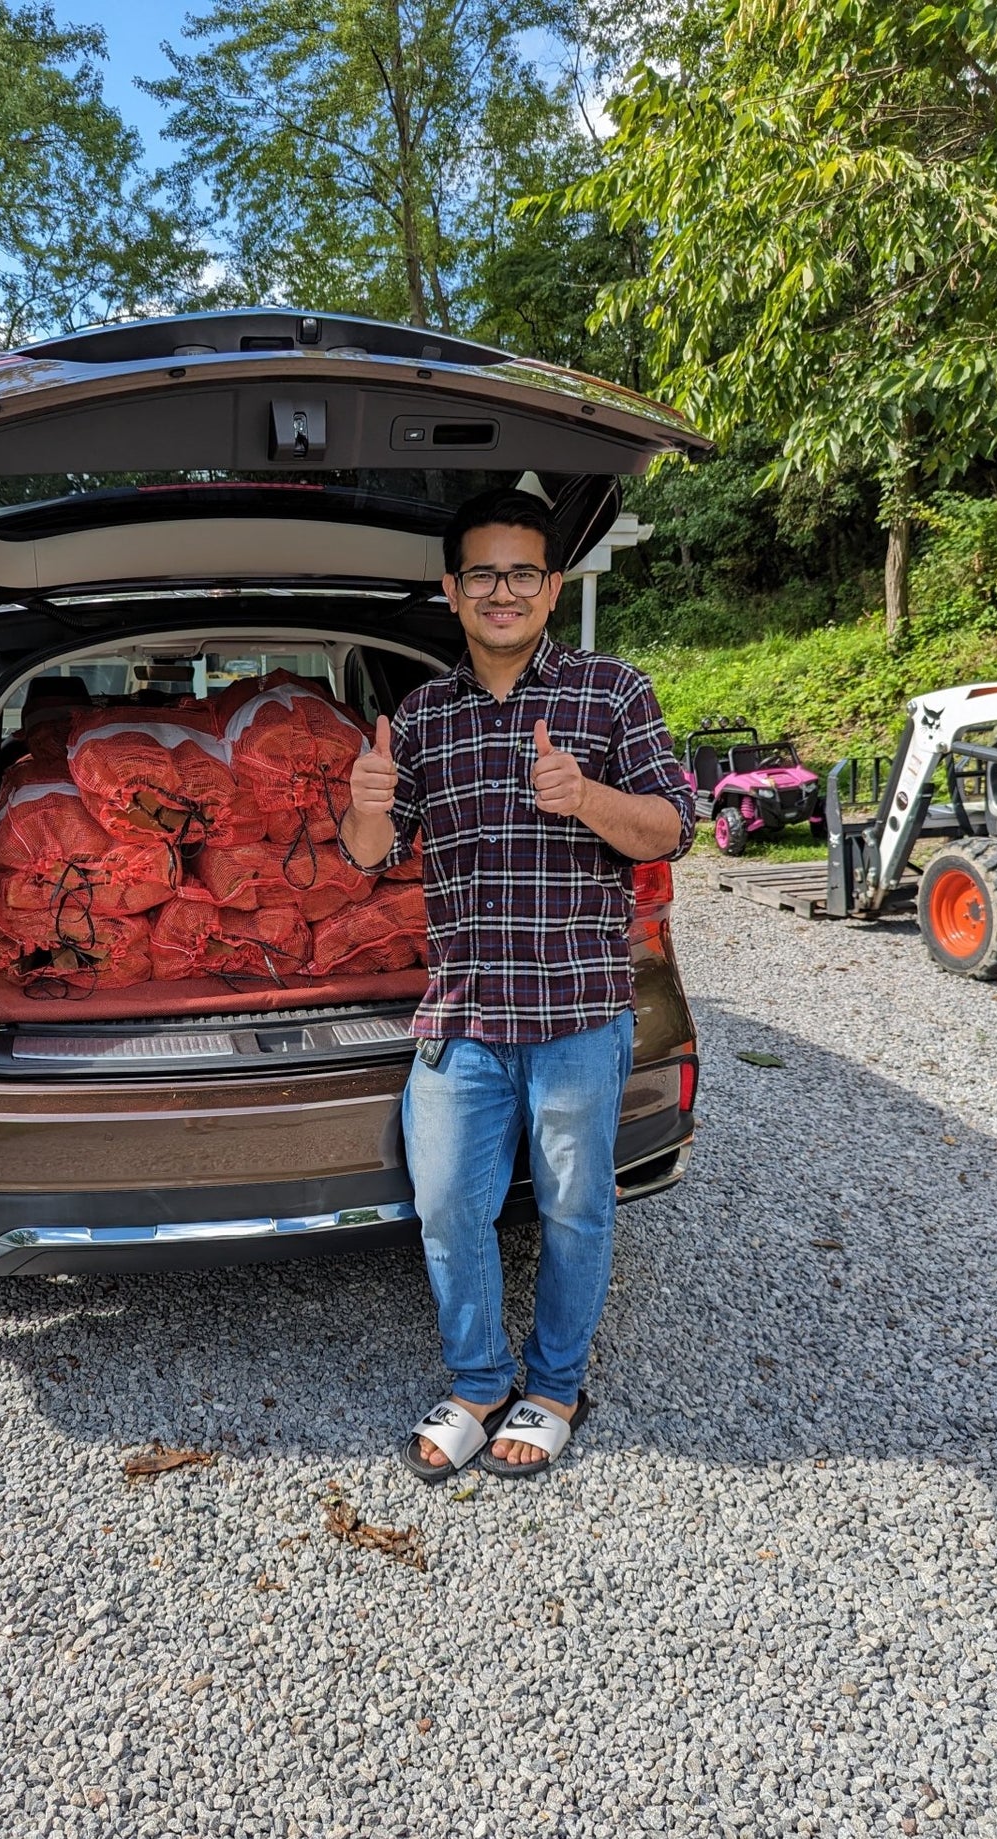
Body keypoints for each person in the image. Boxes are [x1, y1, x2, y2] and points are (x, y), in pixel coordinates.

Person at [339, 487, 695, 1482]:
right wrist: (366, 804)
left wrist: (582, 795)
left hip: (580, 1010)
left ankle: (554, 1384)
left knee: (577, 1206)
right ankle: (478, 1377)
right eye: (482, 573)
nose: (503, 590)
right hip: (461, 1012)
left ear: (551, 586)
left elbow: (670, 828)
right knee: (447, 1201)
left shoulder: (609, 693)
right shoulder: (419, 716)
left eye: (522, 572)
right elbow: (371, 855)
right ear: (451, 590)